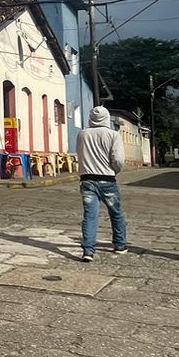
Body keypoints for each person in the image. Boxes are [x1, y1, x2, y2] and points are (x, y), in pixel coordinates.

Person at [76, 106, 128, 261]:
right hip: (107, 179)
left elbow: (79, 154)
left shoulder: (82, 134)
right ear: (107, 117)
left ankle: (88, 251)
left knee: (90, 216)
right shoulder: (113, 135)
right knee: (116, 213)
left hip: (87, 179)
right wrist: (114, 170)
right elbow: (118, 159)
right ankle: (119, 245)